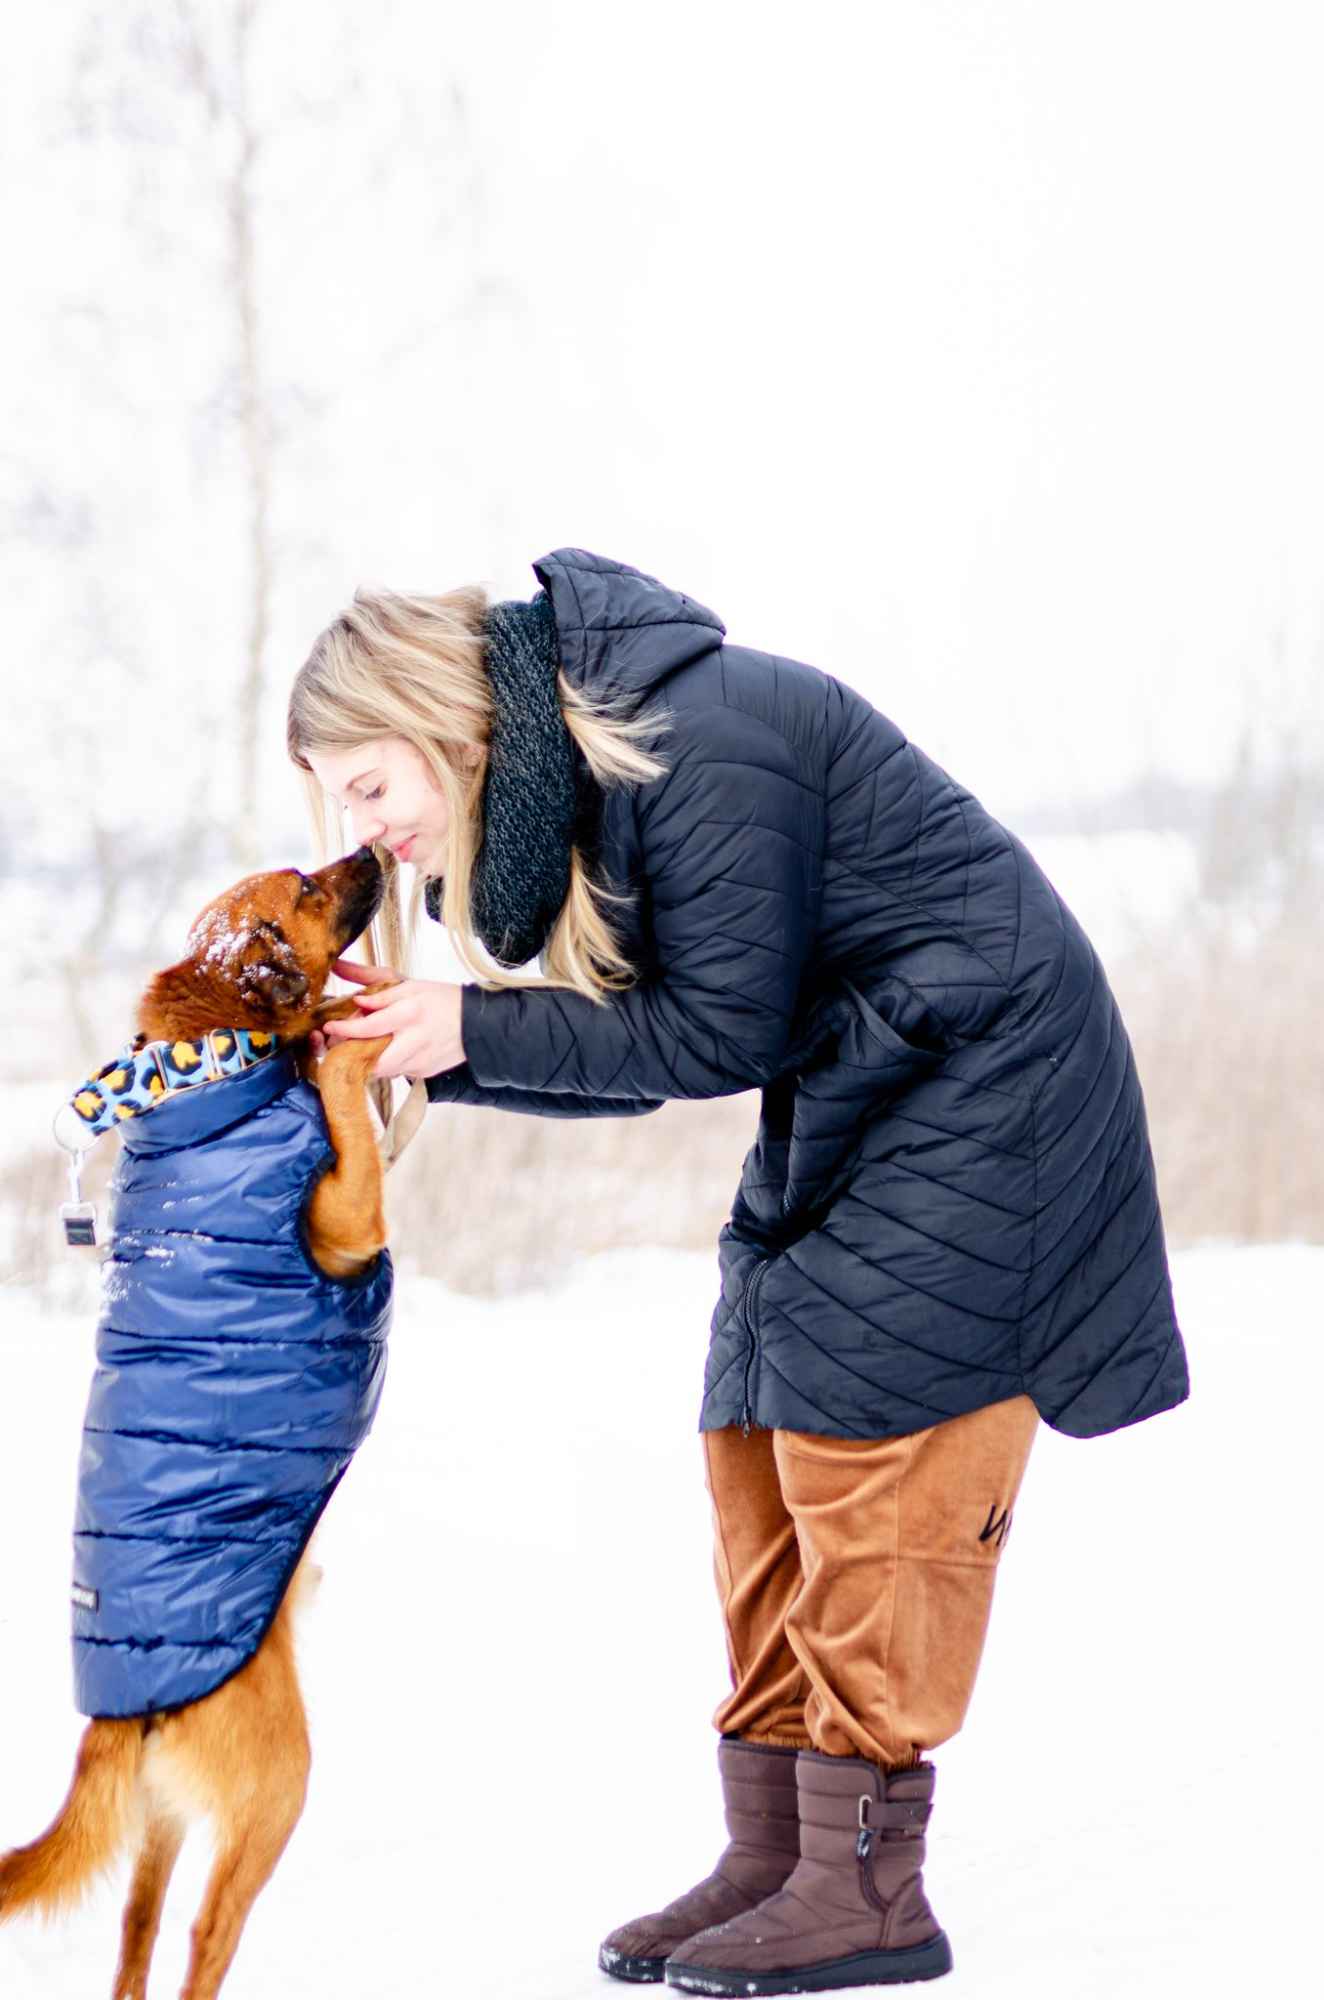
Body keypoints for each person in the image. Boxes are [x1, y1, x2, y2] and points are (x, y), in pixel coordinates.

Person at [286, 546, 1190, 1996]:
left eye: (366, 782)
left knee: (874, 1432)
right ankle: (777, 1851)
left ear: (438, 721)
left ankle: (867, 1887)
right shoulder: (598, 775)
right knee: (753, 1427)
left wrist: (474, 1030)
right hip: (865, 1078)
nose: (361, 824)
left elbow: (709, 1035)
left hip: (986, 1077)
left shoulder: (695, 739)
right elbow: (675, 1046)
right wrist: (436, 1052)